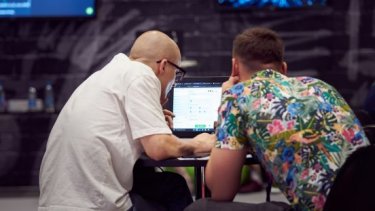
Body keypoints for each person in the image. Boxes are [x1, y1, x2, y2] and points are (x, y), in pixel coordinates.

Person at [186, 27, 370, 211]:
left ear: (235, 67)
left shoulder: (237, 95)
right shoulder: (321, 87)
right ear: (283, 68)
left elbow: (220, 190)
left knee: (200, 207)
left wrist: (225, 107)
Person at [38, 30, 214, 211]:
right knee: (172, 190)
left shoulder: (106, 75)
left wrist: (154, 121)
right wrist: (201, 142)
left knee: (171, 184)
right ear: (162, 65)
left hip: (58, 200)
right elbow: (158, 148)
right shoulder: (142, 75)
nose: (174, 83)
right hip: (90, 204)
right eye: (177, 74)